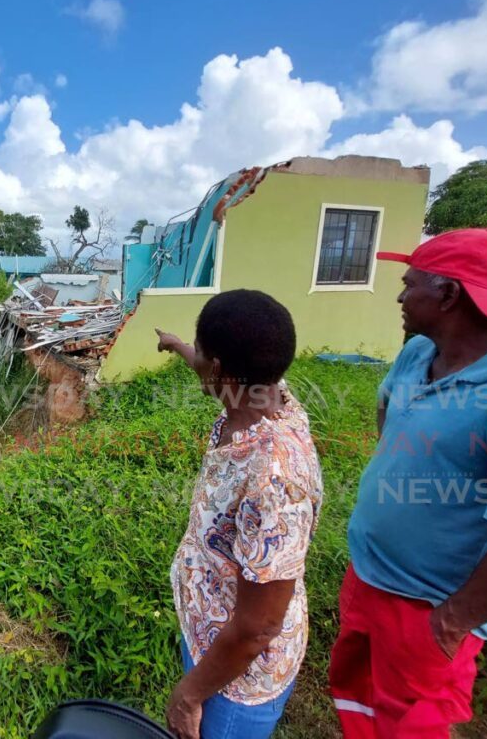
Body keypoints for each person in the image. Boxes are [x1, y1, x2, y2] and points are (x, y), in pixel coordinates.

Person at [329, 227, 487, 738]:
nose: (400, 295)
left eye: (410, 284)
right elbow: (389, 416)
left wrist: (450, 622)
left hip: (427, 610)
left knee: (408, 727)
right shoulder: (416, 355)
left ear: (448, 294)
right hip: (368, 580)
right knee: (358, 708)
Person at [157, 289, 323, 739]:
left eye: (202, 351)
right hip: (216, 636)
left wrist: (189, 695)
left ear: (221, 371)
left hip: (239, 677)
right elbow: (208, 364)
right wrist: (176, 344)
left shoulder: (274, 479)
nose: (199, 361)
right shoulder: (261, 393)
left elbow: (258, 626)